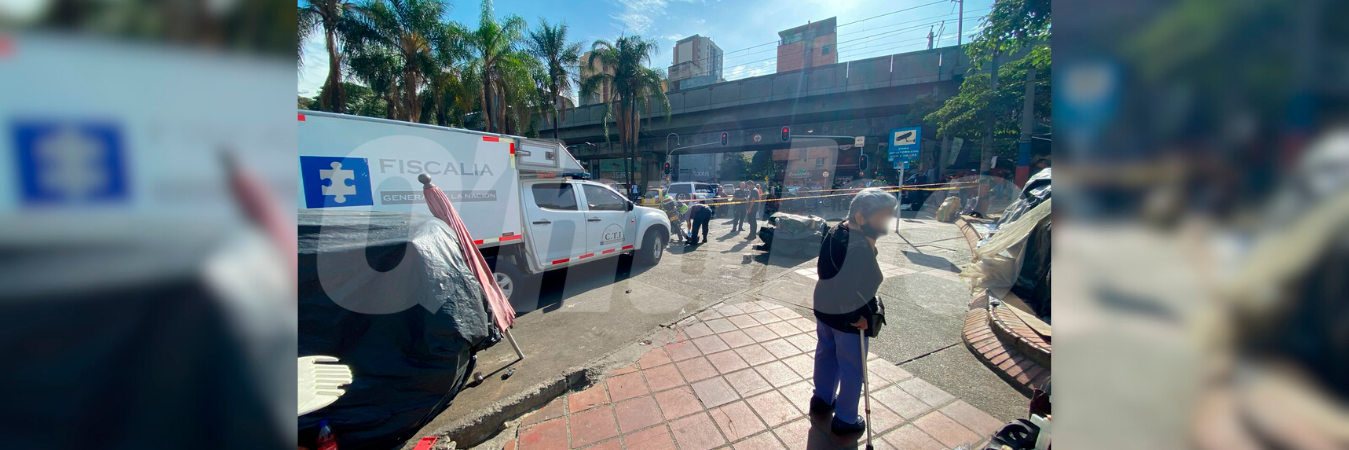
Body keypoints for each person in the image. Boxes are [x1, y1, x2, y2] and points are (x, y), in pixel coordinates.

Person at [809, 188, 896, 436]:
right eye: (883, 216)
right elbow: (851, 286)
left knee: (826, 353)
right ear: (861, 217)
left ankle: (822, 398)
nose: (887, 222)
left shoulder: (838, 229)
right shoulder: (858, 247)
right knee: (851, 366)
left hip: (824, 307)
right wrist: (855, 317)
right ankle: (846, 418)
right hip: (847, 316)